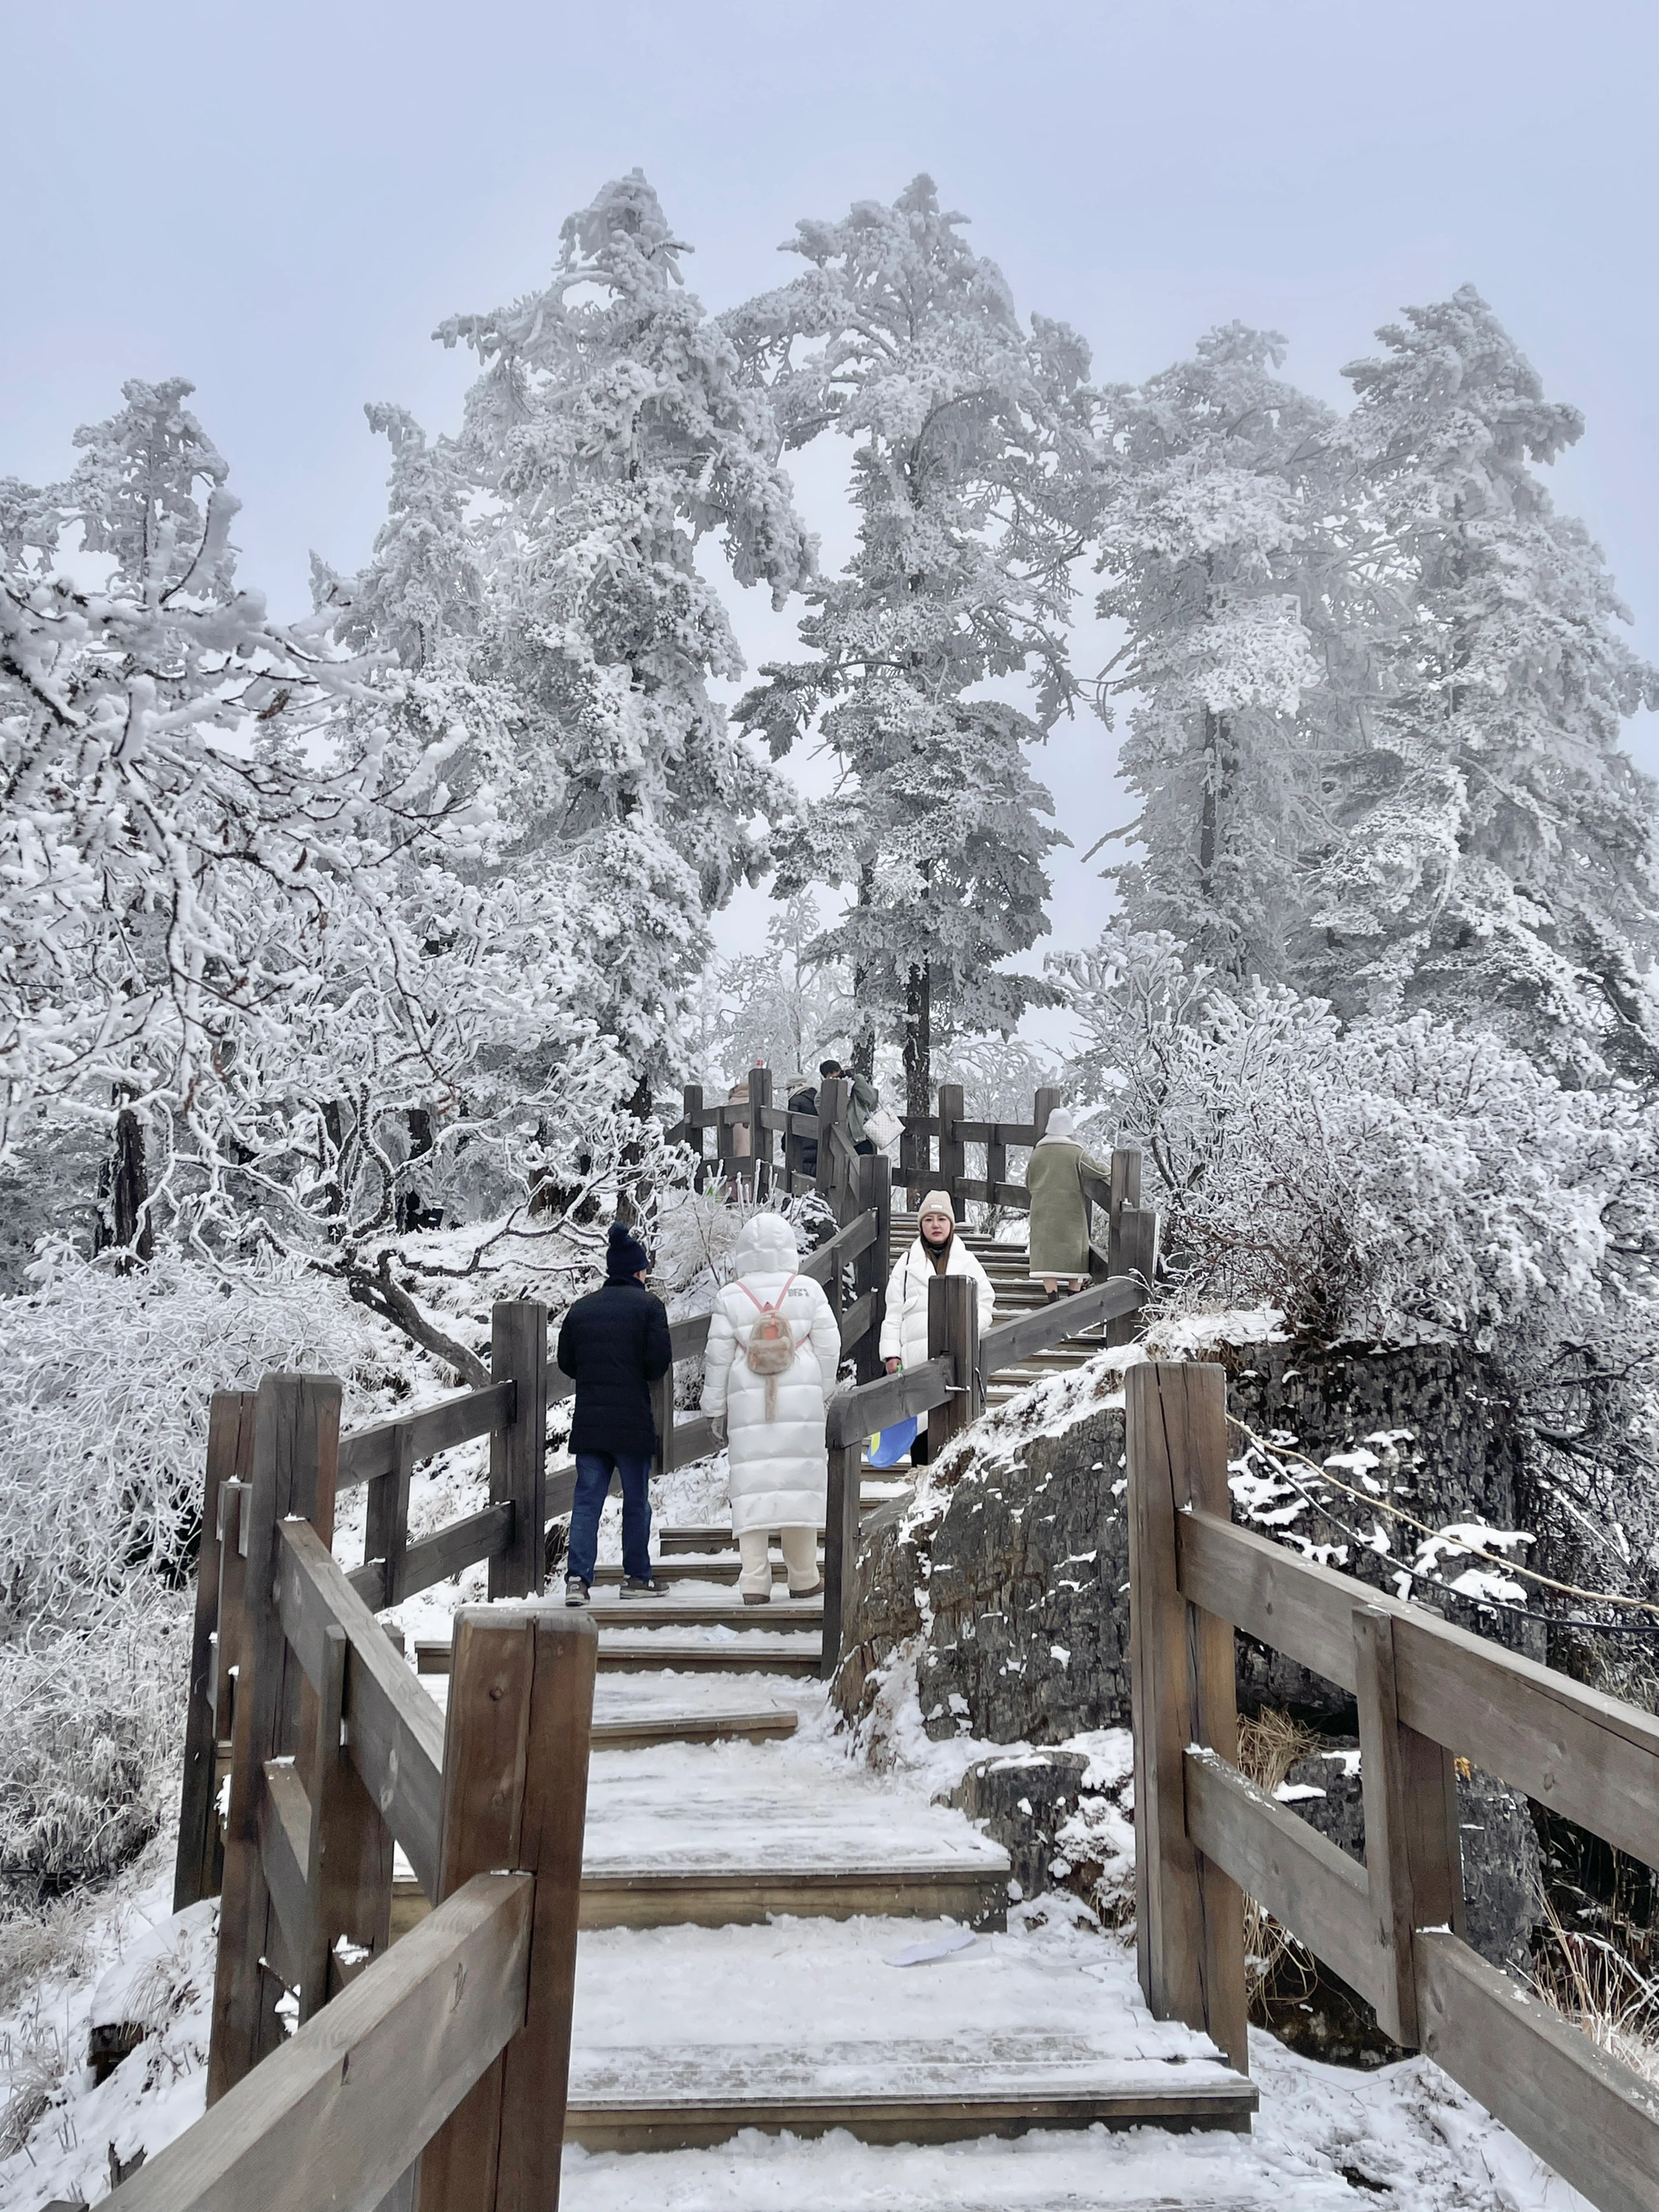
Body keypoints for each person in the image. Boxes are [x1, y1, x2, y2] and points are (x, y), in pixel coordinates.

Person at [701, 1211, 841, 1605]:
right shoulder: (808, 1290)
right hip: (801, 1400)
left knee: (751, 1488)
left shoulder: (730, 1296)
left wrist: (715, 1409)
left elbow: (718, 1358)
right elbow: (830, 1346)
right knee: (799, 1482)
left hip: (749, 1405)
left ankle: (754, 1582)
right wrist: (821, 1389)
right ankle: (803, 1576)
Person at [555, 1220, 672, 1605]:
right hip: (632, 1423)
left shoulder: (580, 1310)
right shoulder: (650, 1308)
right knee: (636, 1501)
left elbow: (566, 1363)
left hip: (590, 1424)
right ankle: (637, 1577)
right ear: (639, 1271)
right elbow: (658, 1365)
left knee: (587, 1501)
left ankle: (577, 1580)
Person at [879, 1192, 995, 1464]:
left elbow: (986, 1302)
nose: (935, 1224)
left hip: (958, 1365)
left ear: (951, 1223)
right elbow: (893, 1313)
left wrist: (968, 1332)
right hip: (916, 1364)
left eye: (942, 1218)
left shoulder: (967, 1262)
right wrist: (891, 1354)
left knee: (956, 1439)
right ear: (921, 1224)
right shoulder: (906, 1264)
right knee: (921, 1440)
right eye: (929, 1219)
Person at [1025, 1108, 1113, 1297]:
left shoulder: (1037, 1152)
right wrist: (1110, 1170)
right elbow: (1095, 1170)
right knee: (1074, 1258)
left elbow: (1028, 1181)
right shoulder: (1075, 1151)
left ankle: (1053, 1300)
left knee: (1046, 1258)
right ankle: (1071, 1299)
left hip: (1042, 1210)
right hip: (1070, 1211)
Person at [817, 1057, 881, 1155]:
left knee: (866, 1167)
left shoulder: (855, 1087)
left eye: (839, 1075)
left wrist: (857, 1080)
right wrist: (844, 1094)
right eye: (833, 1079)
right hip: (838, 1140)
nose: (838, 1080)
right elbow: (830, 1115)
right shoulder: (820, 1097)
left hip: (860, 1137)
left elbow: (871, 1101)